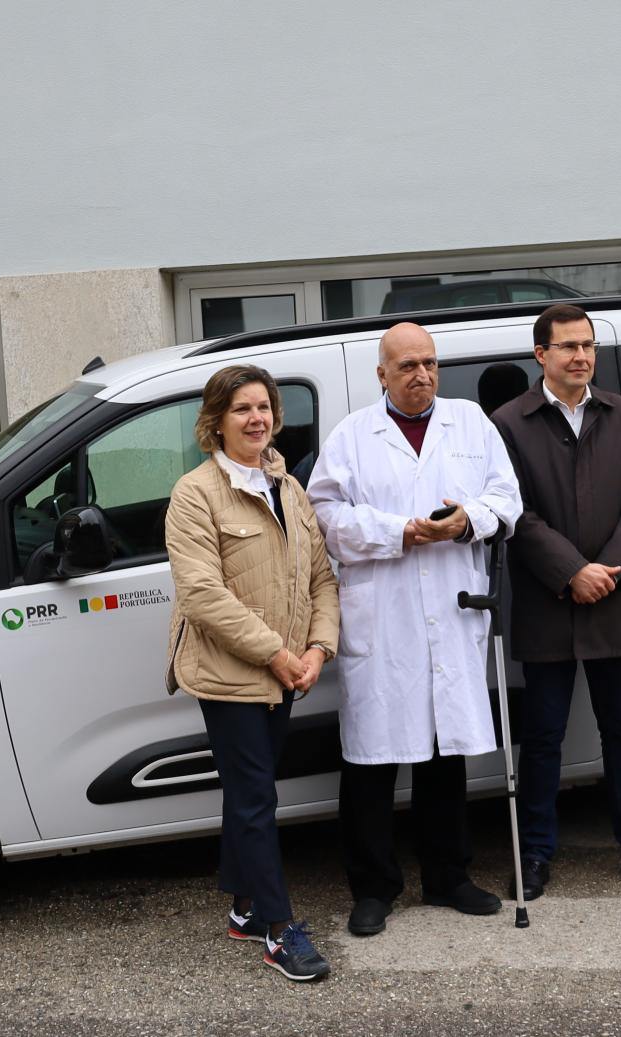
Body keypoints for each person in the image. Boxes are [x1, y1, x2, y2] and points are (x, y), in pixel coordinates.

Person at [306, 322, 522, 937]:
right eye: (406, 366)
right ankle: (373, 888)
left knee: (442, 756)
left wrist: (467, 522)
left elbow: (508, 500)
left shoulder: (471, 423)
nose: (421, 374)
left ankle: (448, 876)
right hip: (386, 616)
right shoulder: (352, 436)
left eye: (429, 363)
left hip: (451, 614)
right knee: (372, 761)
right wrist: (396, 531)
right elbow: (326, 518)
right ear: (382, 374)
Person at [490, 303, 621, 901]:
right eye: (567, 347)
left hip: (612, 595)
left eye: (587, 346)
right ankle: (534, 855)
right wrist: (570, 570)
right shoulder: (510, 422)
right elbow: (513, 510)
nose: (581, 356)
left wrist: (611, 568)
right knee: (544, 736)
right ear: (541, 355)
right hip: (548, 599)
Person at [164, 364, 339, 982]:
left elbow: (320, 577)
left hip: (288, 670)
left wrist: (317, 649)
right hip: (230, 674)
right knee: (256, 796)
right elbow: (203, 594)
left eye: (264, 407)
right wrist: (275, 653)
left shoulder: (287, 487)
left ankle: (242, 906)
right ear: (215, 421)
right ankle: (276, 927)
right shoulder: (195, 493)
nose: (257, 418)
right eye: (242, 409)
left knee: (249, 793)